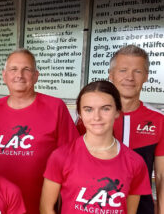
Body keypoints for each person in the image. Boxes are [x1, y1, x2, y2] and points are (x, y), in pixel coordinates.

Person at [0, 48, 79, 214]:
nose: (19, 75)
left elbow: (73, 157)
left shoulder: (55, 107)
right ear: (4, 75)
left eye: (26, 69)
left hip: (41, 206)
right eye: (13, 69)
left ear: (36, 76)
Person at [76, 45, 164, 214]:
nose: (129, 77)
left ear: (146, 76)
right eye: (123, 70)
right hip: (92, 206)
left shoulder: (158, 120)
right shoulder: (88, 119)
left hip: (141, 209)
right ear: (111, 75)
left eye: (137, 71)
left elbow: (161, 176)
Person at [41, 80, 151, 214]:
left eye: (105, 108)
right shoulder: (61, 156)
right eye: (88, 109)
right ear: (80, 114)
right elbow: (46, 208)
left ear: (117, 111)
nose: (96, 117)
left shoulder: (135, 163)